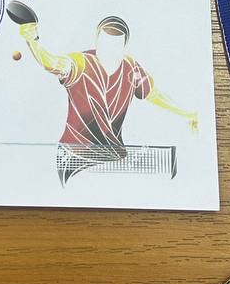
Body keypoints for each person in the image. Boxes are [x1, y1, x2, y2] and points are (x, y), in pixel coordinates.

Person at [18, 13, 198, 181]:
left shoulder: (131, 68)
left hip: (113, 156)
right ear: (97, 41)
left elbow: (154, 94)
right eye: (104, 45)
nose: (108, 52)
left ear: (123, 47)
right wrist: (33, 40)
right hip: (75, 155)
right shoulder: (79, 63)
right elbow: (52, 62)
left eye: (115, 47)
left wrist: (188, 114)